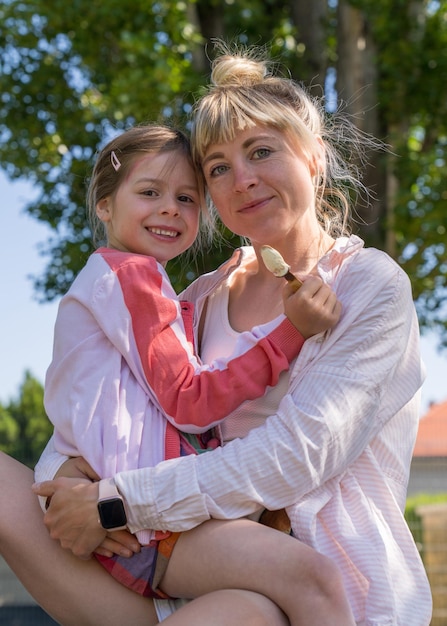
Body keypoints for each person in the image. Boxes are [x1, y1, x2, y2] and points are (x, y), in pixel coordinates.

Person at [2, 41, 432, 625]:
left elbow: (295, 457)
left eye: (261, 152)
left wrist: (114, 506)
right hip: (182, 571)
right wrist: (65, 483)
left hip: (317, 590)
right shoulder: (200, 298)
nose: (242, 180)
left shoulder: (369, 287)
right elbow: (102, 402)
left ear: (315, 158)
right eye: (218, 169)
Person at [32, 121, 352, 625]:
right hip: (148, 523)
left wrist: (58, 469)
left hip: (137, 518)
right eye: (149, 192)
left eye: (186, 198)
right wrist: (292, 331)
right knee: (316, 581)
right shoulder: (129, 277)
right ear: (104, 205)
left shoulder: (137, 286)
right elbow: (190, 399)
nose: (169, 208)